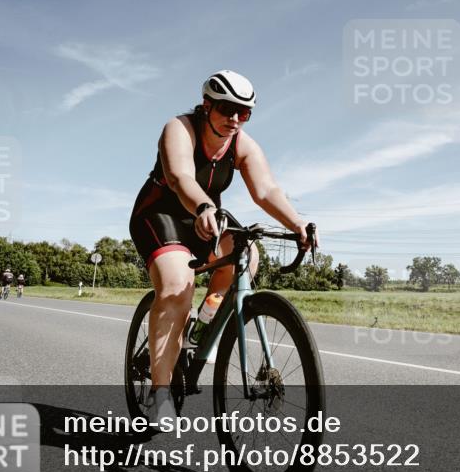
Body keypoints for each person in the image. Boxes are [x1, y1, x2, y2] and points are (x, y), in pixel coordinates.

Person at [129, 70, 318, 424]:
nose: (235, 119)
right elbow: (180, 177)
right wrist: (203, 205)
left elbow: (266, 190)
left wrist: (297, 223)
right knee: (177, 285)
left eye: (244, 113)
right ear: (206, 105)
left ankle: (201, 327)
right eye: (227, 109)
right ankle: (160, 392)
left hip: (207, 218)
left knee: (246, 255)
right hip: (162, 214)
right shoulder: (179, 128)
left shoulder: (242, 144)